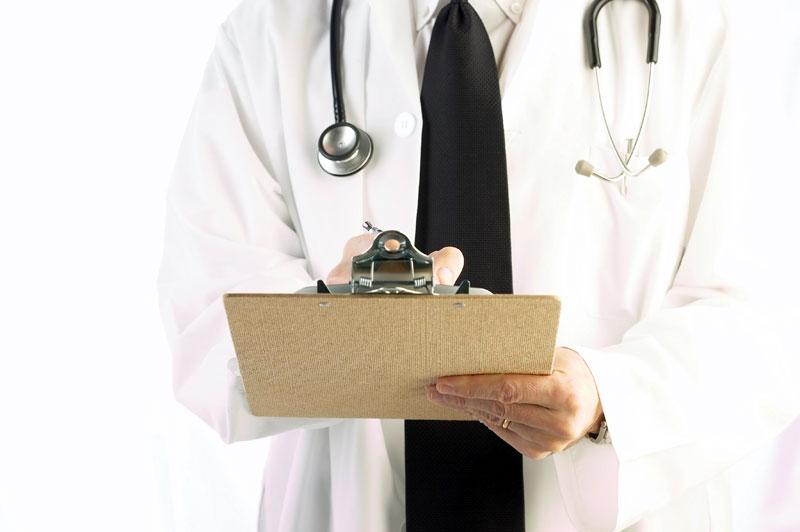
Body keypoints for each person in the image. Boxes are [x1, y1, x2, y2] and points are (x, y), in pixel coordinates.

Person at [156, 0, 799, 530]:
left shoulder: (698, 27)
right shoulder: (268, 36)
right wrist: (327, 319)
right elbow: (207, 324)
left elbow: (766, 313)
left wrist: (610, 397)